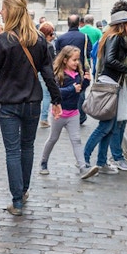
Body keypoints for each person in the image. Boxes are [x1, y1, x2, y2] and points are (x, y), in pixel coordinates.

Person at [0, 0, 61, 215]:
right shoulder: (39, 40)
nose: (0, 12)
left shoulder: (2, 40)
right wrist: (56, 99)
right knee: (27, 147)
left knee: (12, 151)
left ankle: (17, 200)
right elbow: (49, 73)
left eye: (3, 8)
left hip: (8, 102)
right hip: (33, 101)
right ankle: (23, 191)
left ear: (11, 12)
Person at [81, 10, 127, 179]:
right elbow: (110, 60)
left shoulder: (111, 37)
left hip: (112, 82)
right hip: (111, 83)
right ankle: (84, 159)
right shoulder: (116, 38)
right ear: (122, 25)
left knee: (109, 126)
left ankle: (101, 162)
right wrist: (126, 68)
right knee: (105, 126)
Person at [39, 45, 89, 176]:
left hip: (73, 113)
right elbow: (56, 92)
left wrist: (86, 82)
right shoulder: (59, 75)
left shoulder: (78, 74)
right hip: (59, 113)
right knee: (53, 138)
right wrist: (72, 89)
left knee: (76, 140)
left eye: (78, 60)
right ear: (65, 60)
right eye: (74, 60)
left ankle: (83, 167)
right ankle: (43, 161)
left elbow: (79, 89)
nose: (77, 62)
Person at [55, 15, 91, 124]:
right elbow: (88, 53)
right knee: (80, 91)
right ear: (79, 23)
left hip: (64, 70)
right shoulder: (84, 37)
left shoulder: (61, 38)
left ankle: (68, 112)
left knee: (65, 88)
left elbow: (58, 54)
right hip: (80, 69)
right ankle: (80, 115)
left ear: (68, 24)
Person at [37, 21, 57, 128]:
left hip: (38, 72)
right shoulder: (48, 46)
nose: (53, 36)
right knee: (46, 95)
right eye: (51, 34)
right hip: (46, 72)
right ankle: (44, 118)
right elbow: (51, 62)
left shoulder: (37, 43)